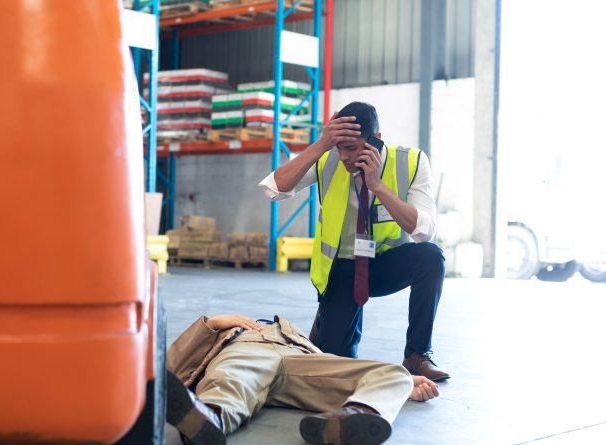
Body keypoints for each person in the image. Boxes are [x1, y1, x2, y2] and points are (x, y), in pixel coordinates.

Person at [258, 101, 449, 381]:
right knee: (335, 368)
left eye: (352, 148)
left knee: (432, 257)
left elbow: (423, 231)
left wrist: (378, 187)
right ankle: (328, 317)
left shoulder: (411, 162)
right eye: (340, 148)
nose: (345, 157)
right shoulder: (327, 159)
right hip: (342, 271)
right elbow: (273, 189)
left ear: (376, 141)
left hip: (386, 265)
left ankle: (417, 355)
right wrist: (321, 145)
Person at [166, 314, 439, 445]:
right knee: (231, 380)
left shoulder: (295, 335)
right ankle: (208, 420)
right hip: (246, 351)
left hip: (299, 359)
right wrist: (212, 323)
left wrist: (401, 386)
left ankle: (357, 413)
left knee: (393, 371)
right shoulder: (233, 331)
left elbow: (340, 369)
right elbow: (173, 366)